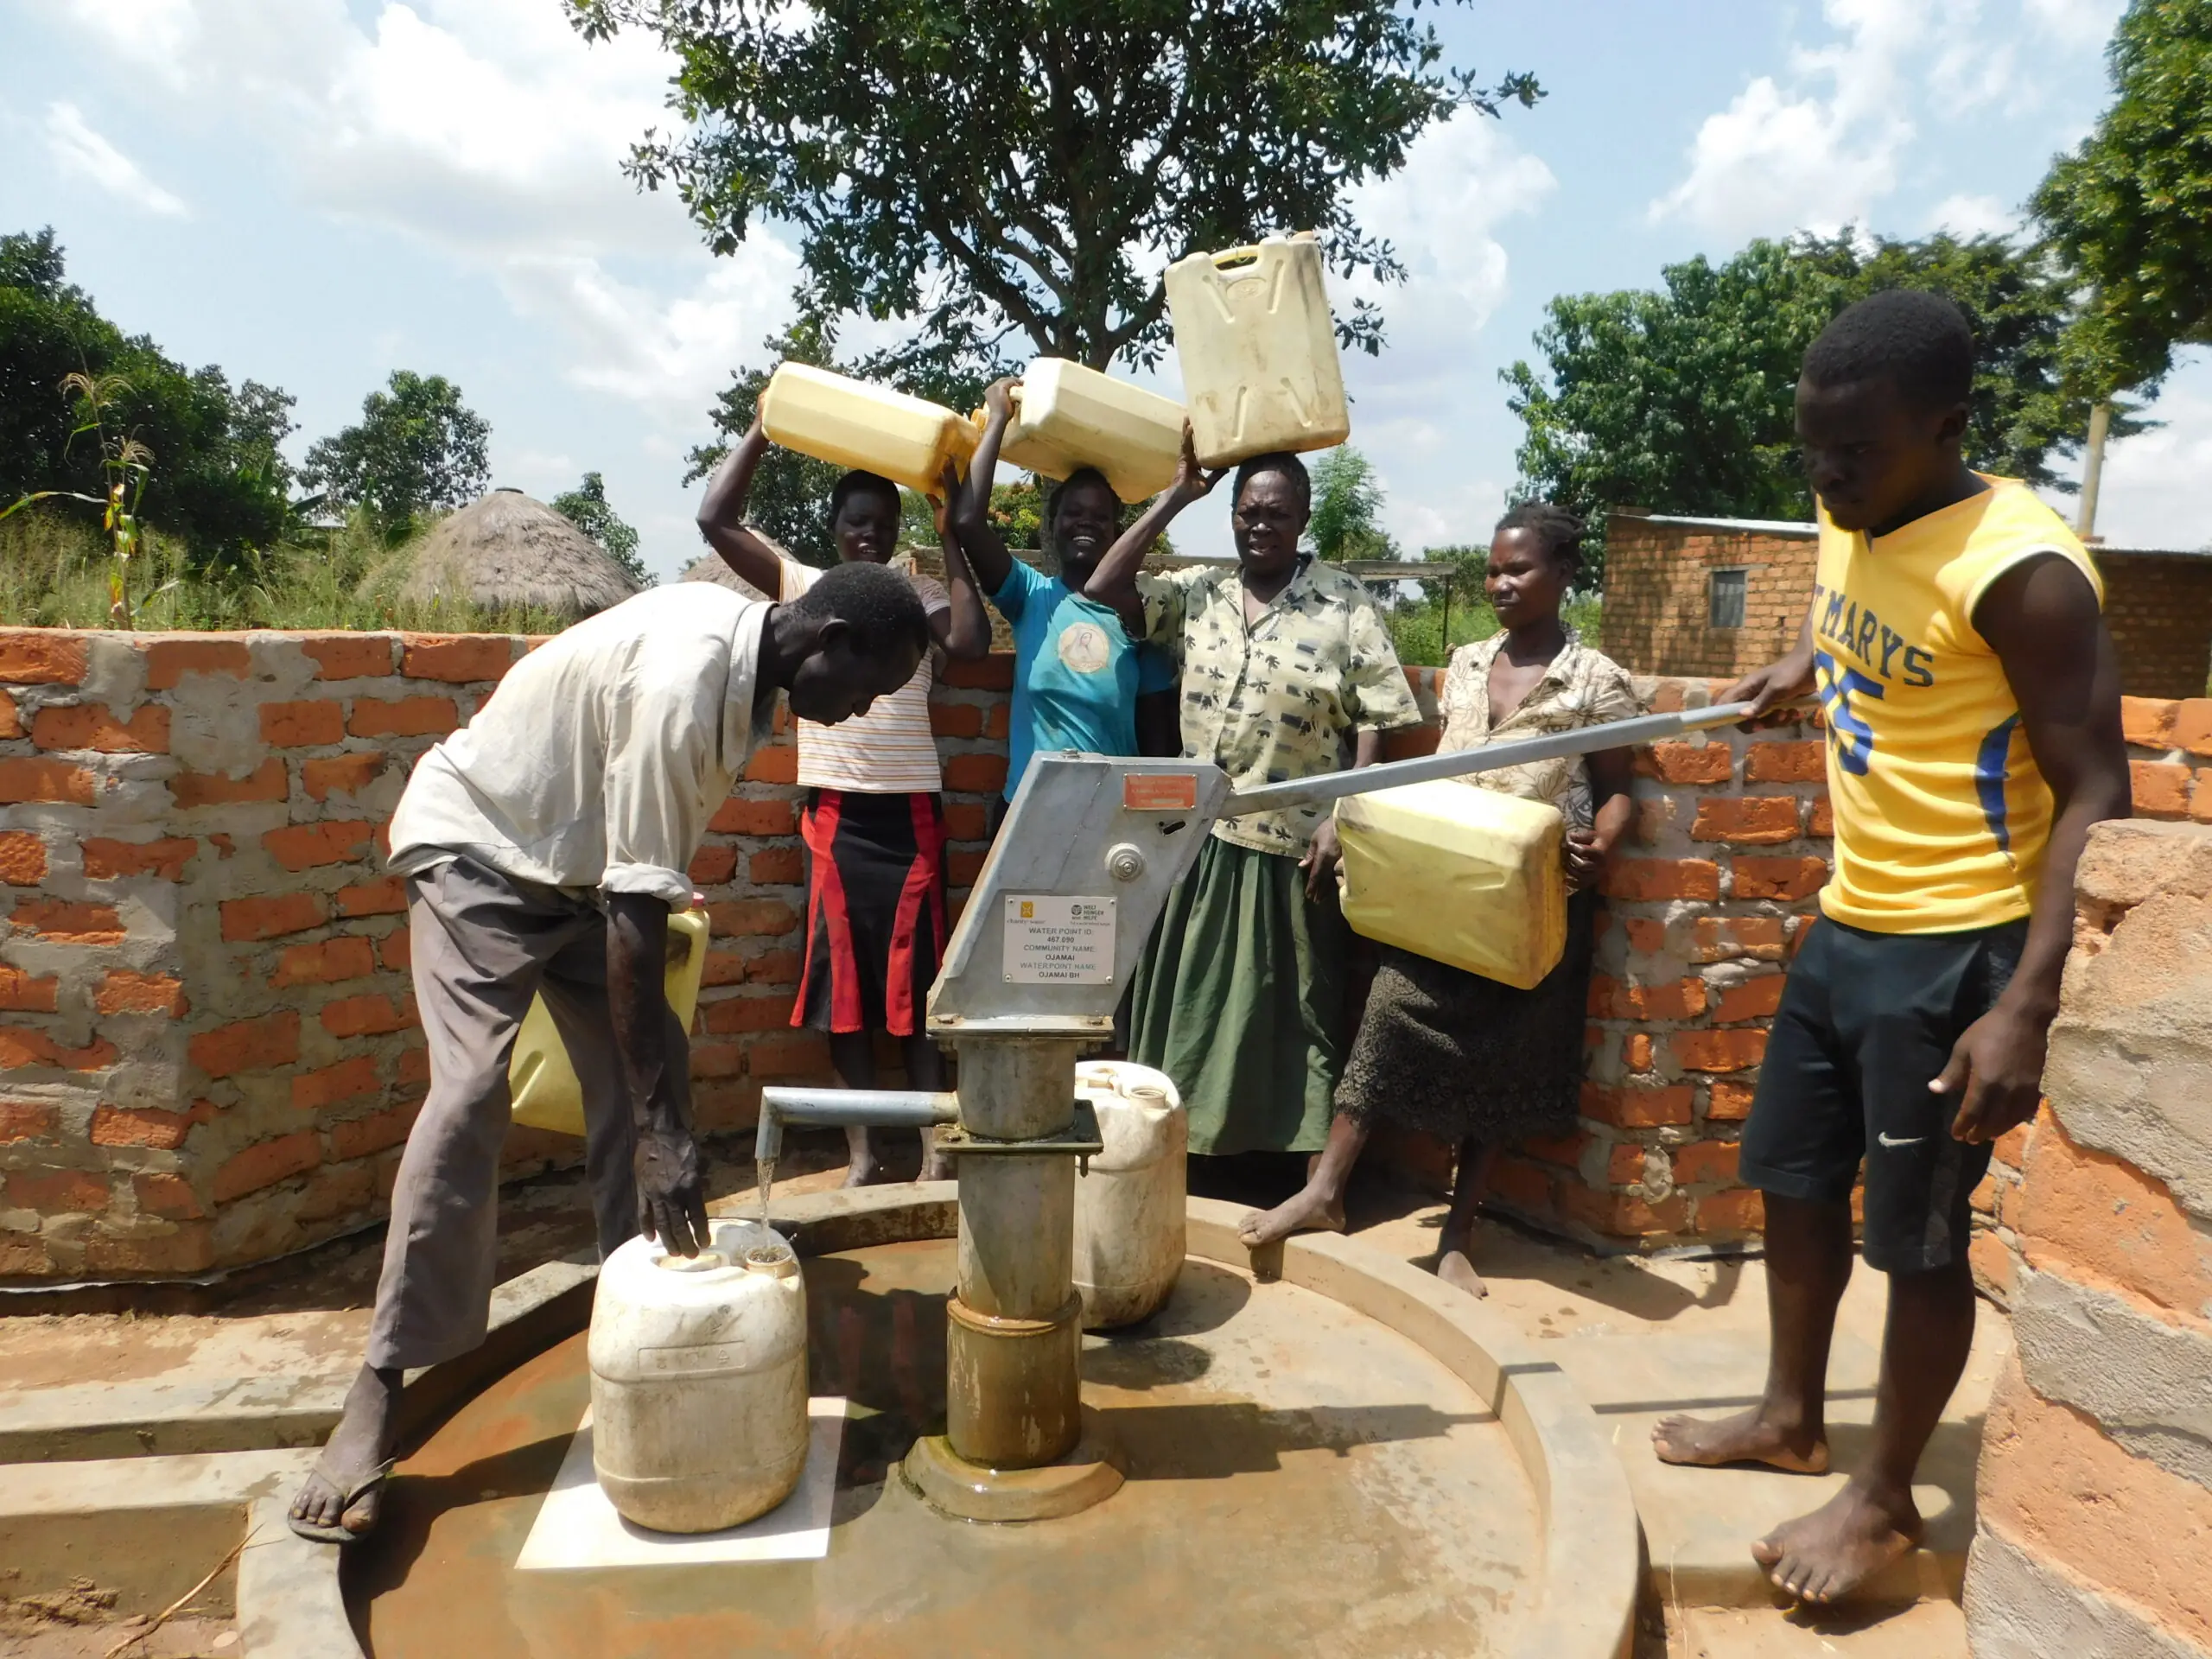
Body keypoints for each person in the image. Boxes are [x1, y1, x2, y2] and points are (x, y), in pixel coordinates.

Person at [287, 565, 930, 1545]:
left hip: (570, 876)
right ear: (829, 639)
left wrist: (654, 1089)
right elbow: (633, 909)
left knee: (651, 1069)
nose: (859, 711)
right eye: (867, 686)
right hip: (475, 851)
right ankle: (377, 1392)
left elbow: (633, 866)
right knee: (469, 1098)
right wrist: (664, 1129)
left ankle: (642, 1310)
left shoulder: (755, 667)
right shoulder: (686, 680)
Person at [1650, 290, 2129, 1605]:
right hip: (1848, 922)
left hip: (1960, 949)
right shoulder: (1852, 507)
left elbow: (2100, 791)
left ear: (1944, 426)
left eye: (1854, 452)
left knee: (1917, 1238)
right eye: (1812, 450)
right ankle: (1792, 1417)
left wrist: (2026, 1007)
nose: (1827, 475)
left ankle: (1882, 1498)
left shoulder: (2023, 570)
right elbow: (1873, 616)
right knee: (1793, 1183)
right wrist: (1803, 660)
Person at [1237, 504, 1638, 1294]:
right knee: (1387, 1015)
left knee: (1504, 1059)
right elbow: (1421, 774)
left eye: (1518, 569)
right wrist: (1350, 821)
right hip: (1448, 889)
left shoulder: (1597, 680)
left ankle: (1458, 1235)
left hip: (1535, 900)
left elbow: (1620, 791)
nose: (1500, 583)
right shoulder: (1465, 664)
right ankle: (1325, 1192)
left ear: (1562, 575)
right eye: (1493, 569)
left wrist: (1606, 844)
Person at [1086, 449, 1423, 1160]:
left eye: (1276, 514)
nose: (1260, 527)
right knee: (1191, 1007)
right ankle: (1176, 1149)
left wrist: (1343, 813)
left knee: (1282, 1013)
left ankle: (1279, 1167)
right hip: (1195, 839)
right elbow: (1103, 587)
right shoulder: (1199, 592)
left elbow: (1378, 722)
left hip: (1291, 846)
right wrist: (1177, 495)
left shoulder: (1344, 604)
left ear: (1302, 519)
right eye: (1247, 513)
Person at [696, 413, 989, 1185]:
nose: (871, 537)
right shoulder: (806, 588)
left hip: (912, 816)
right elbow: (715, 518)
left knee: (919, 987)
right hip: (834, 815)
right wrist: (765, 428)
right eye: (859, 523)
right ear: (835, 526)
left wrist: (948, 534)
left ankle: (931, 1147)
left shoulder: (917, 593)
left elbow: (968, 644)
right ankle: (864, 1152)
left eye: (885, 526)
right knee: (845, 991)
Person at [945, 378, 1184, 833]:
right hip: (1027, 815)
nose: (1086, 524)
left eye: (1100, 516)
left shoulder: (1140, 617)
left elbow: (1161, 743)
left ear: (1118, 531)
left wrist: (1161, 829)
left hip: (1109, 821)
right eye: (1074, 512)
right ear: (1053, 524)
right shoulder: (1030, 595)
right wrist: (998, 417)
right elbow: (968, 521)